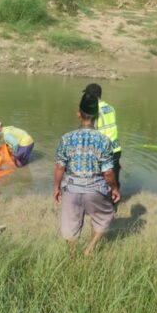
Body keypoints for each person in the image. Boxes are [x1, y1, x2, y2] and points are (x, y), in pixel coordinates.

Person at [53, 93, 121, 256]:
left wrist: (56, 187)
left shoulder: (66, 138)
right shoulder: (104, 140)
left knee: (70, 227)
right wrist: (115, 188)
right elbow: (108, 172)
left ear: (79, 114)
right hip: (96, 189)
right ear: (97, 115)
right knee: (104, 218)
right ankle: (89, 250)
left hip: (71, 189)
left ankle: (73, 256)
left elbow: (60, 168)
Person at [83, 83, 122, 189]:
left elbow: (91, 131)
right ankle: (115, 200)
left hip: (103, 149)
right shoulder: (110, 108)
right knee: (114, 177)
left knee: (100, 180)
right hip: (116, 148)